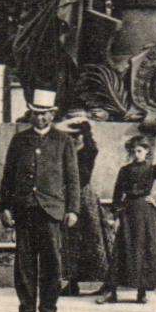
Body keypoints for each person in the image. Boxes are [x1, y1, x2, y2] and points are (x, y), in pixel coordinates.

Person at [0, 88, 80, 312]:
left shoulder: (63, 141)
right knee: (24, 262)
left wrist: (72, 210)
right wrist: (5, 206)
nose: (41, 118)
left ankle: (48, 308)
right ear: (30, 114)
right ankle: (26, 308)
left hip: (51, 210)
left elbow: (72, 179)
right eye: (36, 113)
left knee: (52, 262)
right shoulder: (19, 140)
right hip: (25, 209)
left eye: (45, 114)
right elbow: (8, 176)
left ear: (53, 115)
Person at [98, 134, 156, 304]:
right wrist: (116, 215)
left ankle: (142, 292)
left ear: (147, 151)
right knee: (121, 248)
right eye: (133, 151)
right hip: (127, 210)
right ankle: (112, 292)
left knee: (144, 249)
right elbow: (117, 194)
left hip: (144, 213)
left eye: (140, 150)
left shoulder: (154, 169)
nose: (136, 154)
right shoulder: (125, 170)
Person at [60, 112, 110, 297]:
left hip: (83, 197)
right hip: (69, 196)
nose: (73, 139)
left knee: (94, 239)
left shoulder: (88, 151)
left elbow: (81, 176)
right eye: (71, 135)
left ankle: (106, 281)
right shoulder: (67, 150)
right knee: (71, 241)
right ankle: (72, 282)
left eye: (76, 135)